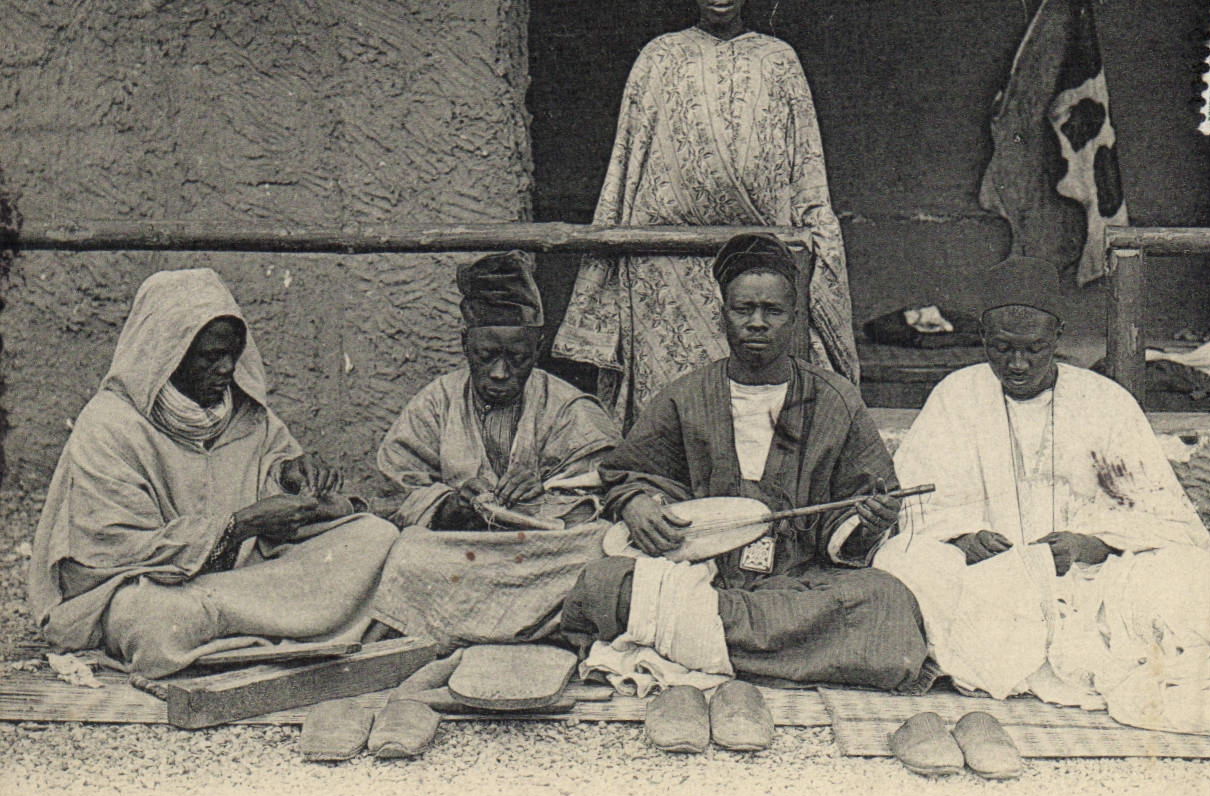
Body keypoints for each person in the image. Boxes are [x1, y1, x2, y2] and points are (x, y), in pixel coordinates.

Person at [874, 257, 1210, 735]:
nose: (1017, 364)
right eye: (1002, 349)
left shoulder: (1103, 400)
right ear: (982, 338)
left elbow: (1158, 511)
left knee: (1189, 574)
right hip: (990, 575)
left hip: (1092, 579)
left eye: (1033, 349)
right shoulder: (955, 396)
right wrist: (961, 535)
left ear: (1058, 338)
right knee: (901, 564)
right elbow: (920, 499)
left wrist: (1098, 542)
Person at [564, 234, 928, 691]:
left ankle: (693, 644)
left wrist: (871, 521)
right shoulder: (686, 396)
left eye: (773, 311)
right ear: (722, 316)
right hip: (700, 576)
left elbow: (862, 505)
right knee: (603, 584)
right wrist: (636, 504)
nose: (758, 323)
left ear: (795, 321)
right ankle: (758, 652)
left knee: (886, 605)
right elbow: (627, 475)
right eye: (743, 310)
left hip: (799, 583)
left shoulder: (835, 400)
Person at [553, 0, 859, 426]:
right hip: (661, 270)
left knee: (755, 413)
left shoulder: (778, 61)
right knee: (672, 413)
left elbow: (807, 168)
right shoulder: (659, 57)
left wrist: (816, 250)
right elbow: (624, 170)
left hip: (757, 270)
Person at [29, 269, 397, 678]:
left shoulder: (246, 414)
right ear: (167, 353)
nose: (226, 369)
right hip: (154, 588)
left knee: (373, 536)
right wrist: (239, 525)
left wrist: (290, 475)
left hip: (239, 580)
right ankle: (290, 631)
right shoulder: (109, 425)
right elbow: (113, 552)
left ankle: (236, 636)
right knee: (149, 619)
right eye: (210, 357)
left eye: (233, 355)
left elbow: (270, 476)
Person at [369, 251, 622, 647]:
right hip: (462, 549)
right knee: (408, 553)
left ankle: (486, 635)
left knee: (598, 548)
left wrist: (544, 497)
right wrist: (447, 504)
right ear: (465, 344)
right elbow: (395, 488)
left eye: (517, 358)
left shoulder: (570, 408)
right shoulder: (436, 402)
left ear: (537, 349)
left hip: (542, 555)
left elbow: (604, 487)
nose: (501, 373)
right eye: (487, 356)